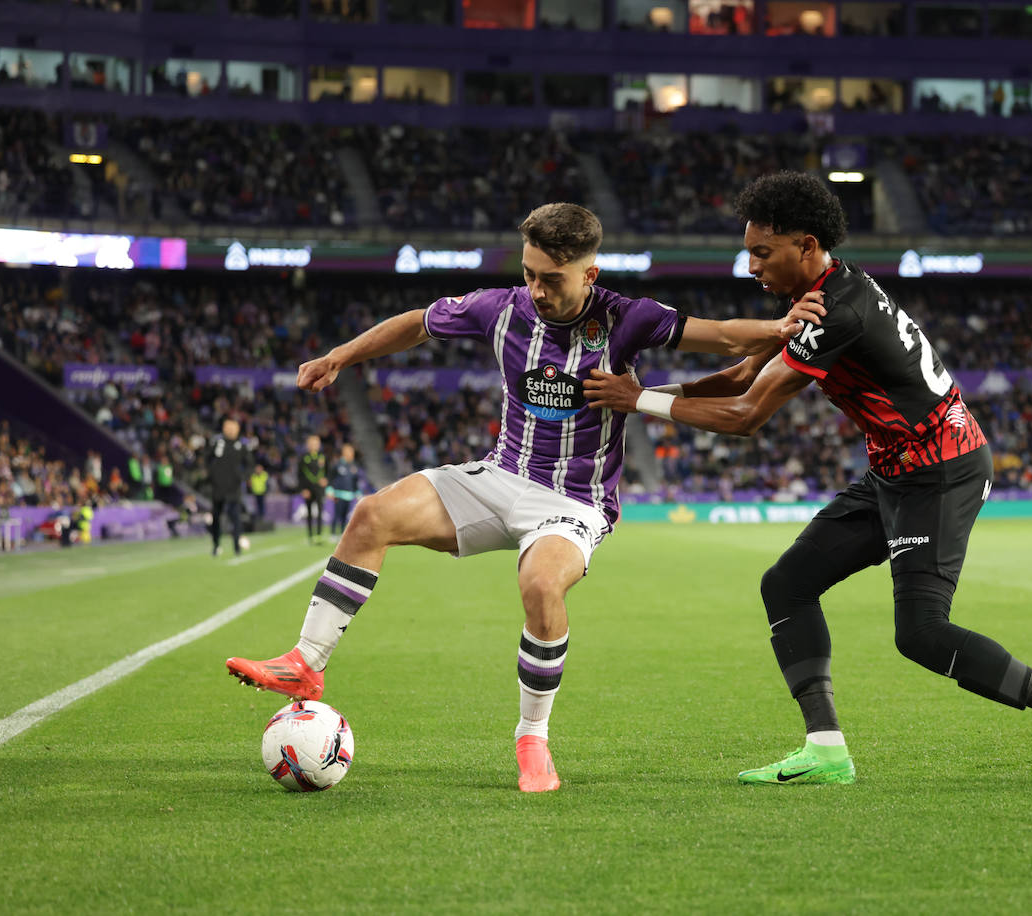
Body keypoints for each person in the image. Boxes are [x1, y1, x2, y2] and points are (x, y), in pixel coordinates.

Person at [225, 202, 817, 793]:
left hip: (575, 501)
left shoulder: (626, 317)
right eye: (529, 273)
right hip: (500, 475)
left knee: (540, 585)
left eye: (550, 279)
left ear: (589, 274)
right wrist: (340, 356)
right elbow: (416, 322)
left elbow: (715, 337)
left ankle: (532, 738)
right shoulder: (499, 307)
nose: (535, 289)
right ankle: (307, 663)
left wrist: (779, 327)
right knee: (372, 514)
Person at [584, 172, 1032, 788]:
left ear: (806, 244)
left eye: (762, 253)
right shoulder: (826, 291)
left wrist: (639, 402)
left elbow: (746, 416)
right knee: (788, 585)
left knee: (922, 633)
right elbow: (743, 376)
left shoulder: (839, 309)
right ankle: (826, 751)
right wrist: (639, 394)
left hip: (941, 471)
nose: (751, 267)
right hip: (894, 470)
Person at [206, 418, 251, 557]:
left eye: (233, 427)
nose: (231, 430)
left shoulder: (241, 445)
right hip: (218, 487)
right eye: (228, 427)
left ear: (237, 429)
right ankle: (216, 545)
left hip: (234, 488)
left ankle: (237, 547)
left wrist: (242, 476)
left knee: (236, 518)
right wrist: (212, 474)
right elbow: (207, 458)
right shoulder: (218, 443)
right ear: (224, 428)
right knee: (216, 517)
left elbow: (250, 464)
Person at [327, 443, 363, 540]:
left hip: (349, 495)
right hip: (338, 494)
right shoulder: (337, 464)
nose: (351, 454)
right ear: (344, 452)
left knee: (345, 516)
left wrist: (358, 493)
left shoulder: (353, 466)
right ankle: (333, 533)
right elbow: (330, 478)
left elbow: (355, 482)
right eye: (349, 451)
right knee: (337, 514)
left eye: (352, 452)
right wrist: (329, 490)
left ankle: (342, 534)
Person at [299, 435, 328, 545]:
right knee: (309, 512)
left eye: (316, 443)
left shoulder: (322, 456)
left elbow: (327, 471)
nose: (314, 445)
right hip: (308, 489)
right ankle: (310, 535)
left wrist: (326, 480)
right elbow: (300, 474)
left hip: (319, 489)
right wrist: (303, 489)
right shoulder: (304, 457)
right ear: (307, 445)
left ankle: (319, 535)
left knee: (320, 511)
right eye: (311, 443)